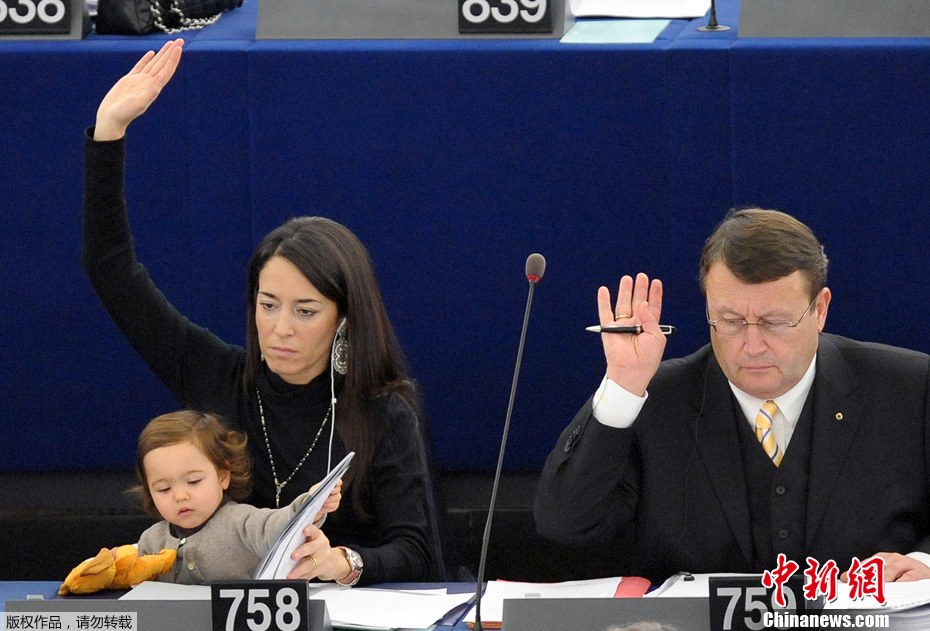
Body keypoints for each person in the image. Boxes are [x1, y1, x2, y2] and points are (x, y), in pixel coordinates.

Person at [83, 39, 435, 585]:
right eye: (268, 306)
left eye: (305, 311)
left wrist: (344, 562)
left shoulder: (382, 412)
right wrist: (110, 132)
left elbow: (417, 551)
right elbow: (111, 270)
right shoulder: (213, 374)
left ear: (344, 318)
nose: (280, 329)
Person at [534, 208, 930, 586]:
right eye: (731, 321)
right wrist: (622, 385)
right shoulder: (655, 400)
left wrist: (924, 563)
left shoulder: (909, 388)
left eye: (775, 322)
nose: (752, 345)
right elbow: (565, 525)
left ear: (820, 310)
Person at [132, 411, 341, 584]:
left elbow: (279, 527)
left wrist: (310, 505)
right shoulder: (151, 540)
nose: (180, 496)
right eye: (164, 489)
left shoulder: (242, 522)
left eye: (194, 481)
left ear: (223, 476)